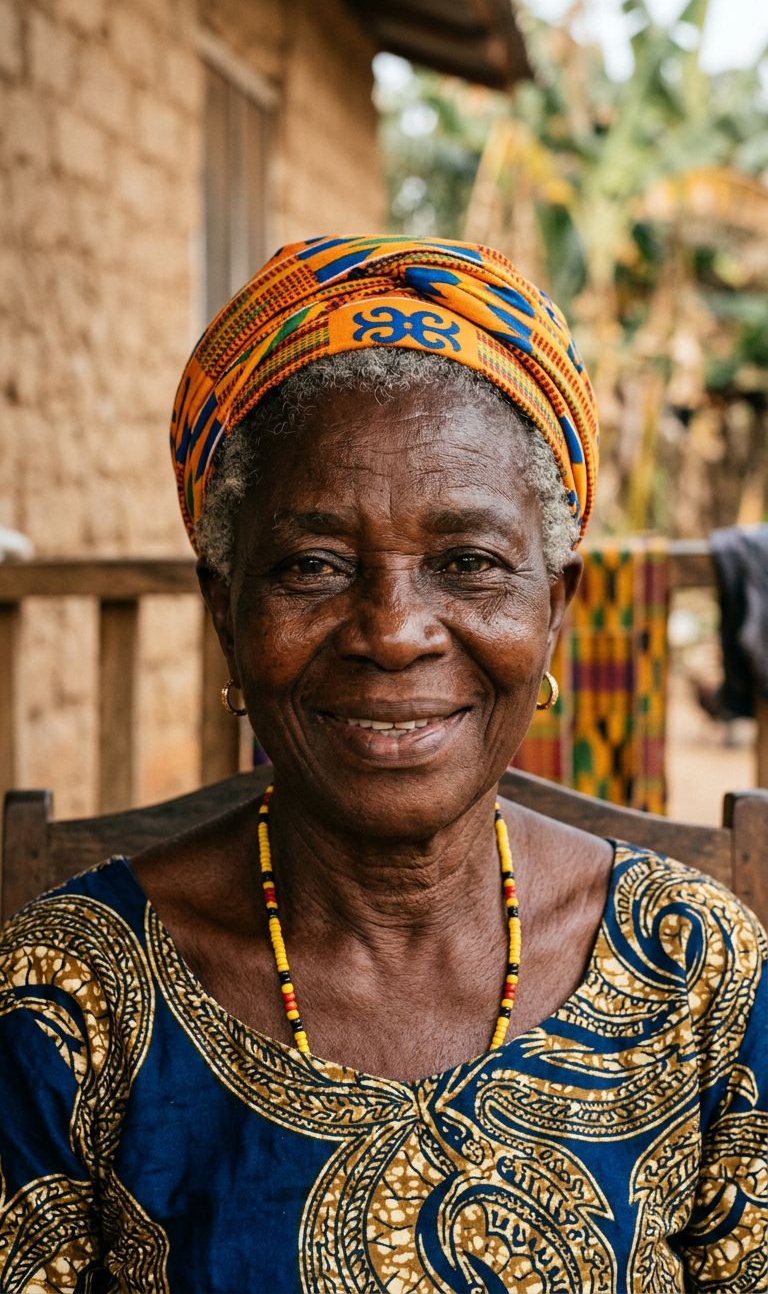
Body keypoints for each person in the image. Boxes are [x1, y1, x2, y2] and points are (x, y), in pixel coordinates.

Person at [1, 236, 766, 1293]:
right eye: (314, 564)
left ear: (556, 608)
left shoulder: (693, 970)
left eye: (469, 563)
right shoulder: (68, 998)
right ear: (225, 606)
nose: (394, 629)